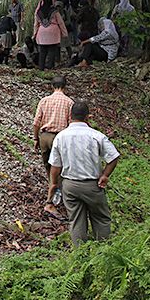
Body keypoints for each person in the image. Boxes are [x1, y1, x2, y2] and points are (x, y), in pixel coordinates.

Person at [48, 100, 120, 246]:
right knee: (101, 218)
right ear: (88, 117)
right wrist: (105, 175)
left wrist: (54, 184)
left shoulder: (61, 137)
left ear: (70, 116)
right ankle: (104, 252)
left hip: (69, 185)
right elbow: (113, 157)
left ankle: (80, 255)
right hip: (92, 185)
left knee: (76, 220)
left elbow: (55, 166)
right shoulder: (96, 136)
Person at [33, 76, 74, 218]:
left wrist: (36, 138)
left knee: (48, 166)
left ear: (52, 86)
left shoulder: (44, 101)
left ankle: (51, 191)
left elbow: (36, 122)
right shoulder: (69, 102)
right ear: (65, 86)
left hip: (45, 136)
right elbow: (71, 124)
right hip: (61, 137)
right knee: (60, 167)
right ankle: (57, 196)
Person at [33, 0, 68, 70]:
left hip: (42, 32)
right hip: (53, 32)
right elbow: (61, 22)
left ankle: (41, 67)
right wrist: (64, 33)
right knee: (52, 51)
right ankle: (50, 67)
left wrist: (34, 34)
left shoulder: (38, 12)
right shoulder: (54, 11)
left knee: (42, 52)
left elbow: (36, 24)